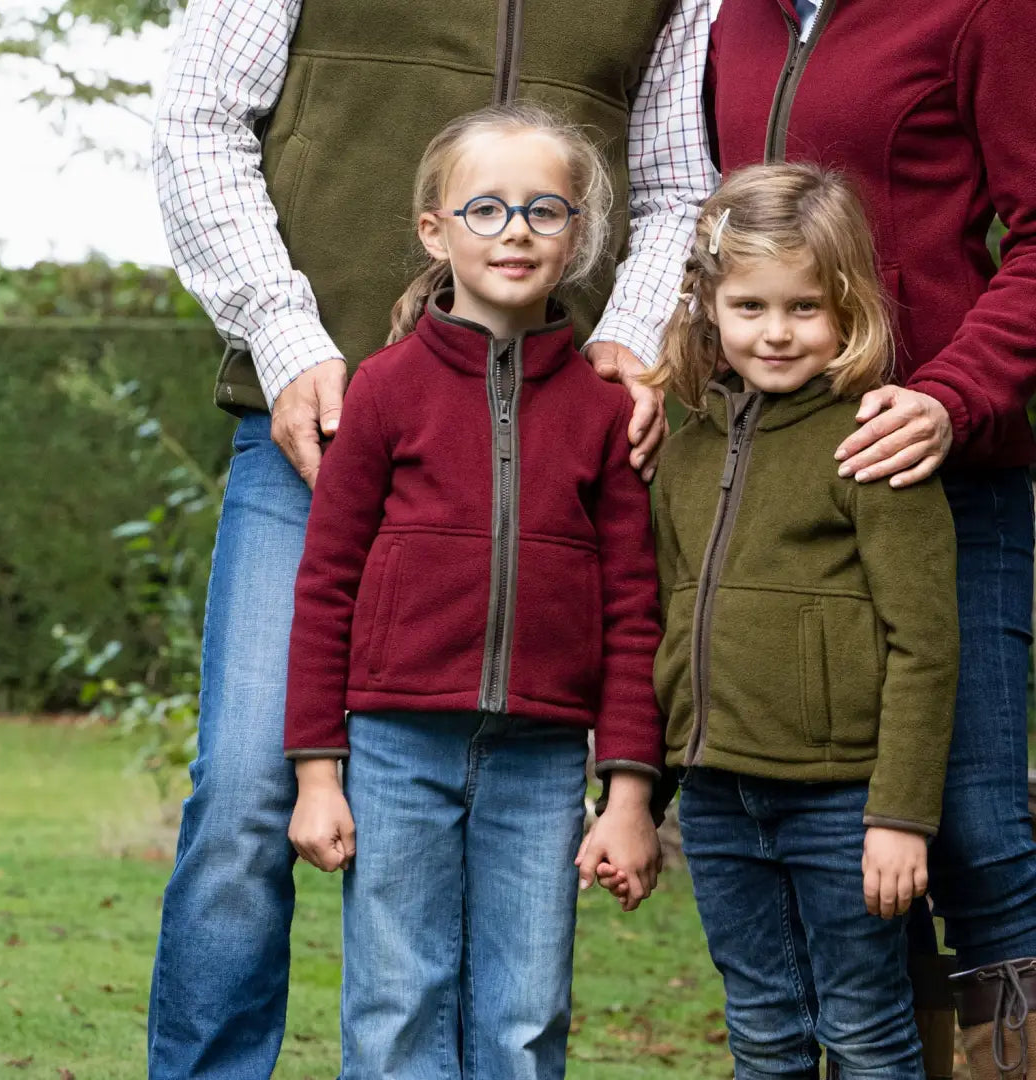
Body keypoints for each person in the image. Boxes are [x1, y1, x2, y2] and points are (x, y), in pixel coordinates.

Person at [148, 1, 717, 1074]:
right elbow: (198, 118)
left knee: (514, 985)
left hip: (546, 423)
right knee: (241, 800)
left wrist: (633, 338)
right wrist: (283, 333)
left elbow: (684, 175)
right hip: (319, 416)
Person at [283, 102, 665, 1080]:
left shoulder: (600, 412)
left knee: (526, 1013)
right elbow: (326, 586)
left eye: (545, 209)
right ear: (435, 229)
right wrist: (319, 775)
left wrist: (627, 794)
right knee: (397, 1001)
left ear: (577, 234)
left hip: (541, 767)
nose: (516, 232)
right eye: (486, 209)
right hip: (395, 752)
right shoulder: (383, 390)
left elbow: (632, 610)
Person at [706, 2, 1036, 1074]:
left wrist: (953, 394)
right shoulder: (729, 22)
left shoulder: (983, 12)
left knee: (976, 830)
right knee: (854, 849)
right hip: (788, 497)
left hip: (950, 475)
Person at [637, 163, 958, 1078]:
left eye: (805, 307)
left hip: (843, 807)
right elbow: (666, 629)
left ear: (849, 307)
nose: (775, 333)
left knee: (864, 1030)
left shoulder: (873, 439)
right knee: (764, 1030)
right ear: (710, 306)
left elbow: (925, 645)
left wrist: (899, 817)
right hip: (719, 801)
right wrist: (642, 796)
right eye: (750, 306)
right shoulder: (686, 446)